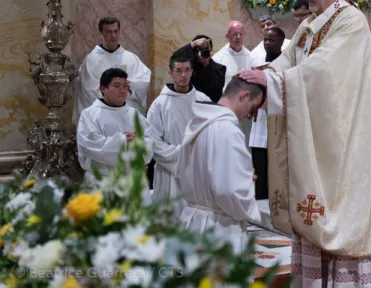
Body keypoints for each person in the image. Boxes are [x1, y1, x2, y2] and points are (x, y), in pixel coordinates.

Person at [240, 0, 371, 287]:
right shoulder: (309, 26)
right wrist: (262, 77)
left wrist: (276, 83)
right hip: (317, 142)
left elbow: (323, 70)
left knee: (339, 217)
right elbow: (289, 61)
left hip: (342, 145)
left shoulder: (350, 21)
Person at [177, 76, 264, 254]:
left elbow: (182, 171)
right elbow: (228, 190)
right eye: (253, 108)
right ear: (244, 96)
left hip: (192, 221)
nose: (249, 115)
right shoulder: (227, 130)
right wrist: (245, 182)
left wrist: (240, 175)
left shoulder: (197, 122)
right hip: (219, 230)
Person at [147, 55, 211, 217]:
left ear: (192, 72)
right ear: (170, 72)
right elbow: (152, 141)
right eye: (179, 71)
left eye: (187, 70)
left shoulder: (203, 100)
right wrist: (182, 156)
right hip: (170, 174)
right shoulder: (159, 105)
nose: (183, 75)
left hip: (198, 171)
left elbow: (213, 135)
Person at [76, 68, 153, 180]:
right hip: (102, 179)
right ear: (103, 88)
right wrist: (123, 141)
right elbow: (88, 145)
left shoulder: (134, 114)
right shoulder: (89, 115)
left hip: (131, 179)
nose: (122, 90)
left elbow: (149, 142)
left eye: (125, 86)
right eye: (117, 86)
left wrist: (137, 143)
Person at [73, 17, 151, 124]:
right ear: (101, 33)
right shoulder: (91, 60)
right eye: (108, 32)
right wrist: (111, 96)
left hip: (127, 116)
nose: (113, 36)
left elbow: (144, 81)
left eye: (116, 31)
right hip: (102, 117)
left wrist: (130, 85)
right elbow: (87, 91)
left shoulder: (131, 58)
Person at [250, 27, 285, 200]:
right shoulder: (256, 61)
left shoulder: (286, 64)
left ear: (281, 42)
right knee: (260, 165)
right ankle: (260, 200)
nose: (267, 43)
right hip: (259, 122)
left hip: (277, 121)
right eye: (265, 39)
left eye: (272, 40)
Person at [172, 34, 226, 102]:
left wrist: (206, 64)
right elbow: (174, 58)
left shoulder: (220, 69)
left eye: (204, 49)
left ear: (210, 50)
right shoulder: (188, 69)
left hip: (211, 109)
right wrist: (193, 44)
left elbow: (215, 93)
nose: (201, 52)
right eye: (198, 49)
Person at [212, 21, 253, 88]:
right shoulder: (218, 59)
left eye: (241, 34)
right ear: (227, 36)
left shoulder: (251, 56)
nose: (238, 37)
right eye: (234, 34)